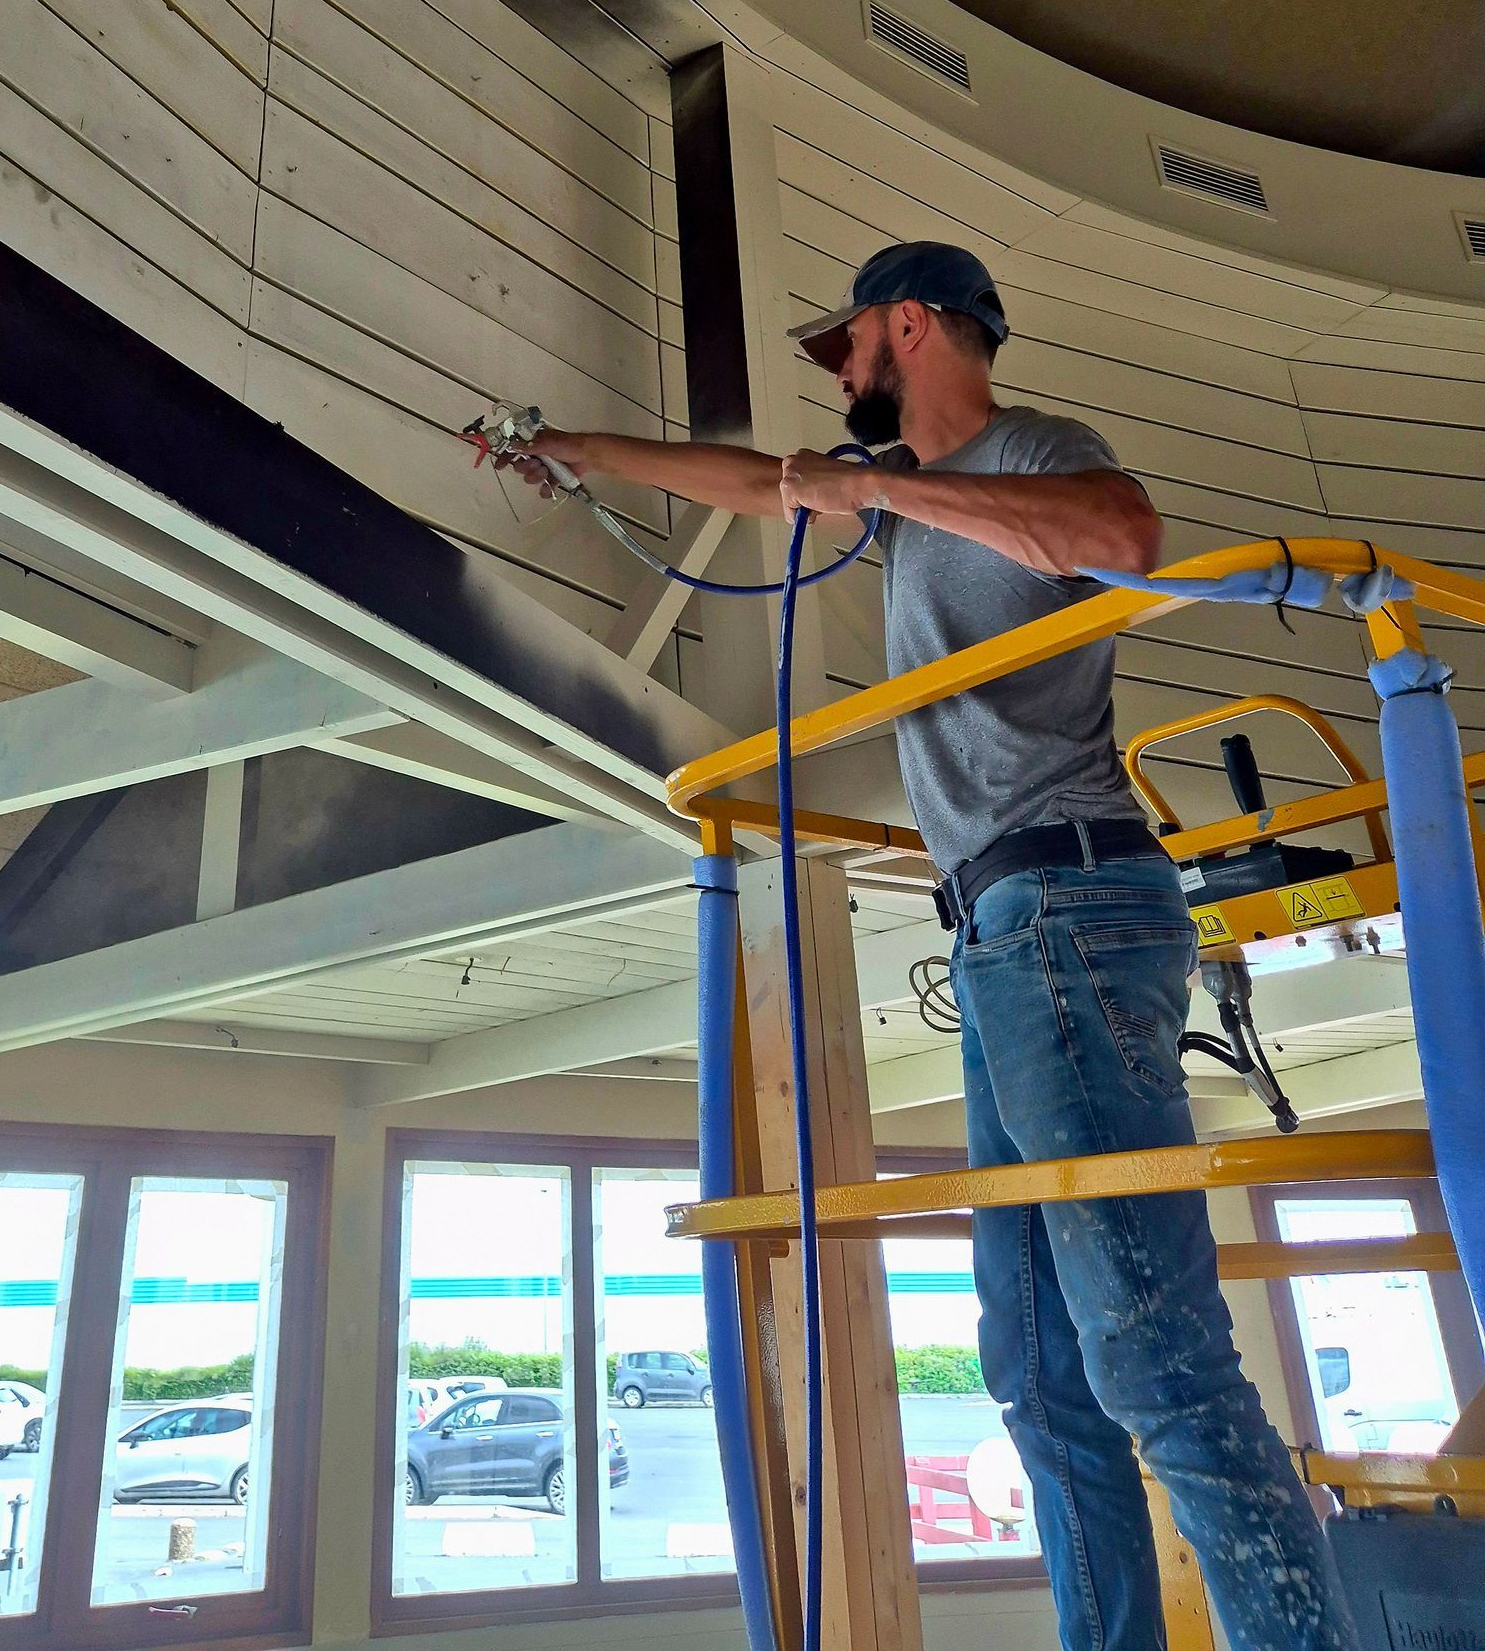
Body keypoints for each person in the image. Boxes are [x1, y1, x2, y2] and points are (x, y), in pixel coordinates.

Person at [490, 240, 1356, 1651]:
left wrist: (880, 489)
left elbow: (1127, 539)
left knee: (1157, 1360)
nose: (838, 373)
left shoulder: (1033, 453)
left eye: (847, 346)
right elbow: (752, 483)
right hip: (1007, 932)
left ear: (910, 326)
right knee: (1035, 1371)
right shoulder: (893, 499)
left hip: (1075, 903)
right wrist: (576, 453)